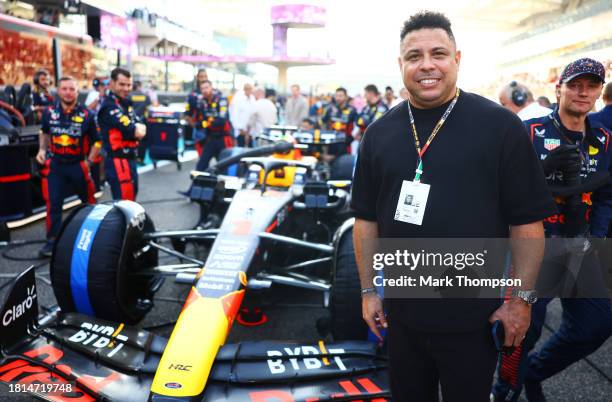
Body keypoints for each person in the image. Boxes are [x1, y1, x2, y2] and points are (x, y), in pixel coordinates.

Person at [351, 11, 556, 402]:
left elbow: (527, 224)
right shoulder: (378, 135)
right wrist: (367, 290)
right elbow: (366, 219)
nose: (426, 65)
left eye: (438, 53)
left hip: (473, 322)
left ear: (457, 59)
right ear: (400, 65)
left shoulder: (500, 127)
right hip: (402, 318)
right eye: (414, 56)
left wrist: (521, 302)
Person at [492, 58, 612, 402]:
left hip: (579, 247)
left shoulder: (605, 140)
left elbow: (607, 196)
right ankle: (505, 390)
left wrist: (596, 236)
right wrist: (543, 169)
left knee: (597, 325)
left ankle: (533, 373)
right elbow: (504, 190)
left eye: (591, 86)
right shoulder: (530, 132)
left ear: (599, 92)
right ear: (559, 88)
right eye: (575, 85)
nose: (582, 92)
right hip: (533, 246)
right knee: (518, 330)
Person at [36, 76, 100, 257]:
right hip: (56, 165)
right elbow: (44, 131)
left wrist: (88, 162)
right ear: (58, 90)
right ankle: (52, 241)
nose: (68, 92)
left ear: (77, 92)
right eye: (64, 88)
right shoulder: (49, 112)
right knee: (53, 204)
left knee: (90, 204)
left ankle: (97, 236)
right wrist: (42, 149)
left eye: (72, 89)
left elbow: (97, 142)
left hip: (78, 165)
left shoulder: (88, 114)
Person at [98, 67, 147, 201]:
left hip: (129, 159)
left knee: (130, 200)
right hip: (117, 161)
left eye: (128, 85)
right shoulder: (109, 106)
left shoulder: (125, 105)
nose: (126, 88)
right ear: (112, 83)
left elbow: (142, 128)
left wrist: (137, 128)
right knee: (124, 205)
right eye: (121, 84)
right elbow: (136, 130)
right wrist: (137, 128)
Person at [193, 80, 232, 171]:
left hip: (223, 139)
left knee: (225, 167)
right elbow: (199, 123)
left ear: (211, 88)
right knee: (200, 167)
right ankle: (200, 184)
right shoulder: (201, 102)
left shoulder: (221, 100)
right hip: (210, 138)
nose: (204, 90)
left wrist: (206, 122)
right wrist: (208, 122)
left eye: (206, 87)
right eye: (202, 88)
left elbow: (221, 120)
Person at [321, 87, 357, 159]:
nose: (338, 98)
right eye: (336, 95)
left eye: (340, 96)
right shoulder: (330, 109)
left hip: (345, 144)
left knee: (344, 165)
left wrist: (351, 139)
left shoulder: (352, 110)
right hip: (332, 143)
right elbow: (323, 122)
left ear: (346, 97)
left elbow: (356, 128)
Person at [130, 81, 152, 164]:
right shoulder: (145, 96)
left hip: (131, 122)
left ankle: (133, 157)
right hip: (142, 122)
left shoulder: (129, 96)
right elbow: (149, 108)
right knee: (143, 140)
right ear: (139, 86)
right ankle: (141, 158)